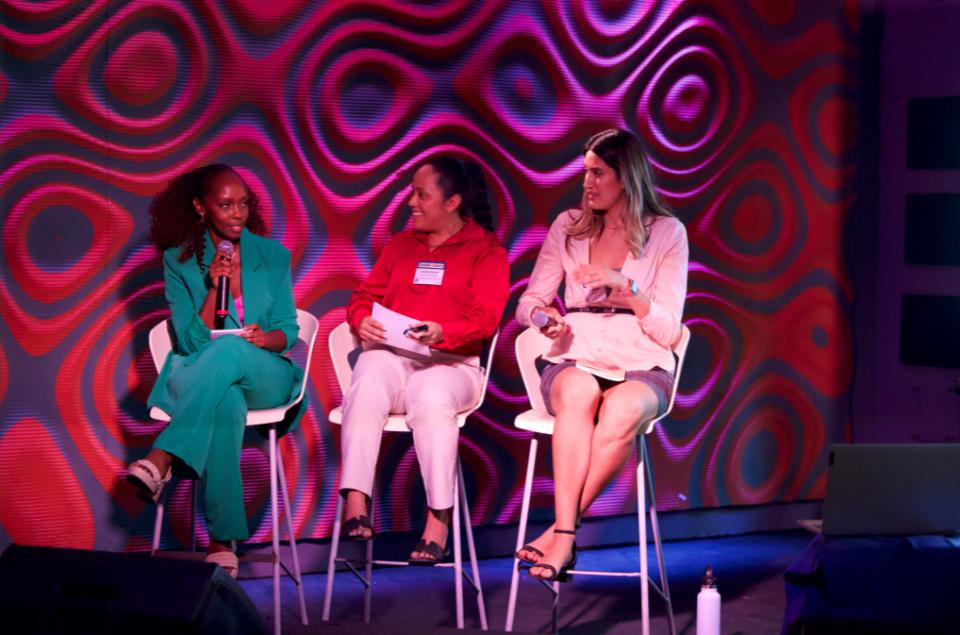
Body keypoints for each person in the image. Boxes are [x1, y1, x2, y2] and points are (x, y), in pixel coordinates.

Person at [514, 129, 688, 581]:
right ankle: (567, 537)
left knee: (622, 410)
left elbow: (669, 330)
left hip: (642, 359)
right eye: (585, 173)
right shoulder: (568, 227)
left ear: (626, 179)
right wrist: (542, 320)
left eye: (598, 173)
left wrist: (625, 286)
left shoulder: (667, 232)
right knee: (578, 393)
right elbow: (529, 302)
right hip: (578, 352)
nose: (586, 183)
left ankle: (558, 532)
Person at [126, 163, 306, 578]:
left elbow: (289, 331)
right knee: (225, 401)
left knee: (232, 355)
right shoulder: (179, 262)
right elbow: (190, 342)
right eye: (225, 205)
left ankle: (163, 456)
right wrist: (212, 288)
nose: (237, 214)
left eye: (243, 204)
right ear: (200, 207)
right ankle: (222, 543)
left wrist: (266, 340)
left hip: (269, 374)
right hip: (214, 382)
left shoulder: (272, 255)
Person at [339, 156, 509, 564]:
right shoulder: (401, 245)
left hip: (452, 365)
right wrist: (362, 321)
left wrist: (443, 331)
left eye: (421, 194)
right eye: (411, 193)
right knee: (368, 372)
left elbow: (485, 319)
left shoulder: (486, 251)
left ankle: (438, 521)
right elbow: (363, 296)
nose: (411, 202)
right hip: (397, 357)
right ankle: (355, 501)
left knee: (431, 395)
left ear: (451, 202)